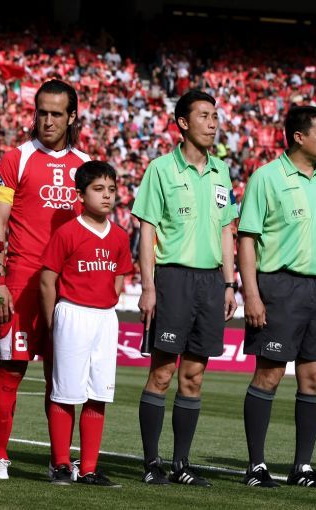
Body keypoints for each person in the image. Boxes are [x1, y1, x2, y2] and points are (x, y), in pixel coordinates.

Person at [131, 90, 238, 486]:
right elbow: (147, 231)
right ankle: (151, 464)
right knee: (161, 374)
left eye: (215, 116)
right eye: (204, 115)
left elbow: (227, 230)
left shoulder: (222, 171)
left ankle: (181, 465)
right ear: (182, 122)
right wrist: (148, 287)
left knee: (194, 376)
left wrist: (229, 283)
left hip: (211, 282)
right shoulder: (160, 169)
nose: (212, 123)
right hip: (172, 279)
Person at [0, 79, 90, 480]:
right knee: (12, 368)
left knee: (61, 376)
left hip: (69, 288)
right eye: (41, 112)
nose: (47, 120)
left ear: (71, 117)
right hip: (21, 282)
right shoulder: (16, 159)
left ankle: (60, 460)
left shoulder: (85, 166)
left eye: (56, 114)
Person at [238, 106, 316, 489]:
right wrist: (251, 293)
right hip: (280, 287)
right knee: (270, 374)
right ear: (299, 136)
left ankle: (302, 468)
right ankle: (256, 466)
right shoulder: (266, 177)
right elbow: (247, 239)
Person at [40, 161, 132, 487]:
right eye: (98, 189)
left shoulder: (119, 236)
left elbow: (119, 276)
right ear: (80, 194)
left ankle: (89, 468)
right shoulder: (67, 232)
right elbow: (47, 281)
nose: (107, 196)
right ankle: (61, 465)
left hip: (105, 317)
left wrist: (108, 300)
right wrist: (53, 322)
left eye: (111, 189)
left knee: (98, 393)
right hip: (73, 313)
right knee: (66, 392)